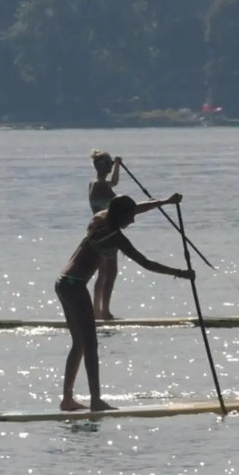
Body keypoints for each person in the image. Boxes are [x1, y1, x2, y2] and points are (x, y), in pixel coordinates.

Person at [57, 193, 193, 411]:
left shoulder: (100, 218)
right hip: (75, 285)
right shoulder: (114, 236)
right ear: (119, 215)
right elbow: (146, 263)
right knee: (90, 343)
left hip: (63, 282)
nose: (132, 221)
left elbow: (136, 208)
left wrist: (164, 202)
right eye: (129, 218)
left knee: (79, 343)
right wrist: (180, 273)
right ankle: (96, 401)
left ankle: (67, 400)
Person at [88, 149, 122, 319]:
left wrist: (117, 165)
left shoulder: (94, 183)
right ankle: (105, 311)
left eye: (110, 163)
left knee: (103, 273)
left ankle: (96, 311)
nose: (109, 166)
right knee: (110, 272)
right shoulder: (101, 186)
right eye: (108, 163)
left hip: (96, 233)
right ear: (99, 166)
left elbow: (114, 182)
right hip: (107, 233)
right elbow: (120, 203)